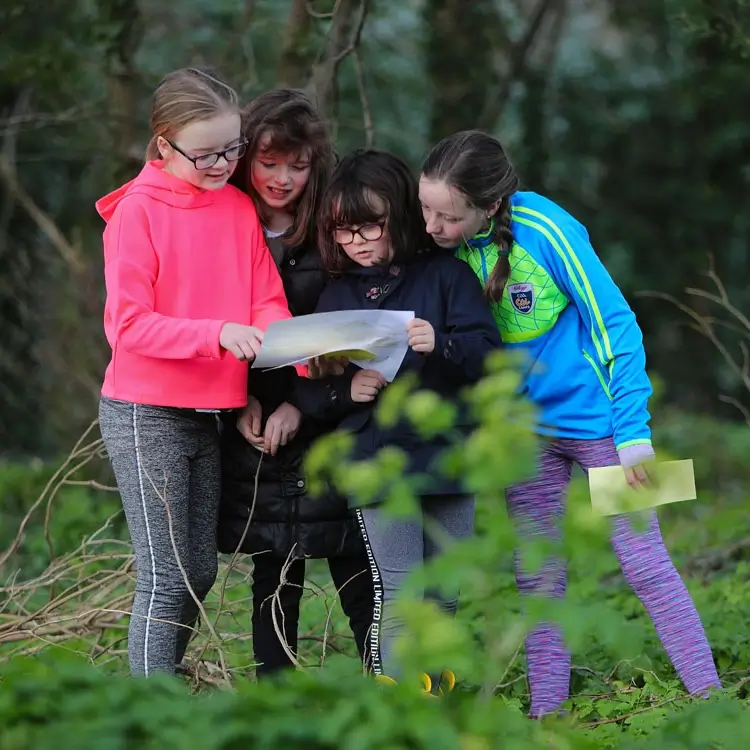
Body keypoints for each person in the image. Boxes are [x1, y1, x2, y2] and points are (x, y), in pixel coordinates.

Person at [419, 129, 721, 717]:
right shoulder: (444, 248)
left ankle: (712, 701)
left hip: (604, 426)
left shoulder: (548, 229)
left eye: (447, 216)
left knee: (644, 562)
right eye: (424, 208)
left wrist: (635, 433)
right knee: (538, 574)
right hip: (523, 433)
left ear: (491, 205)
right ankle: (545, 715)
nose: (431, 226)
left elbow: (618, 325)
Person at [284, 148, 503, 693]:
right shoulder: (336, 294)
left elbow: (489, 356)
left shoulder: (447, 276)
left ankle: (439, 695)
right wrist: (345, 390)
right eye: (343, 231)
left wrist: (442, 344)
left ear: (399, 218)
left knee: (444, 589)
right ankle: (399, 706)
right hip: (377, 459)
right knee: (400, 589)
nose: (356, 241)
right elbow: (306, 384)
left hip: (449, 454)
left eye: (369, 227)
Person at [96, 68, 292, 677]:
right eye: (205, 153)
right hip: (144, 410)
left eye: (231, 149)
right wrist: (216, 334)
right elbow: (128, 326)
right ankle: (149, 718)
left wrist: (298, 349)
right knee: (165, 575)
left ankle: (162, 692)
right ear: (163, 145)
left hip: (213, 410)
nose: (221, 164)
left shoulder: (236, 207)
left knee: (200, 570)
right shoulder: (138, 213)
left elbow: (267, 300)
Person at [218, 89, 374, 677]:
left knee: (356, 562)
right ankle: (275, 705)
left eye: (298, 165)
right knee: (274, 569)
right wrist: (242, 401)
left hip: (331, 415)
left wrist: (303, 409)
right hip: (252, 423)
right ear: (245, 158)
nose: (283, 178)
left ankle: (394, 695)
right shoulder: (223, 221)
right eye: (269, 162)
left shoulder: (332, 228)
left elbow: (349, 325)